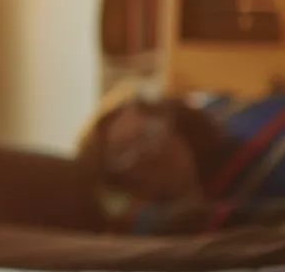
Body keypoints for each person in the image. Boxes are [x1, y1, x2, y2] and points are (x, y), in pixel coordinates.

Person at [77, 82, 285, 234]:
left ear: (166, 118)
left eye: (147, 132)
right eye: (125, 152)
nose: (151, 150)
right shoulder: (202, 220)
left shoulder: (221, 111)